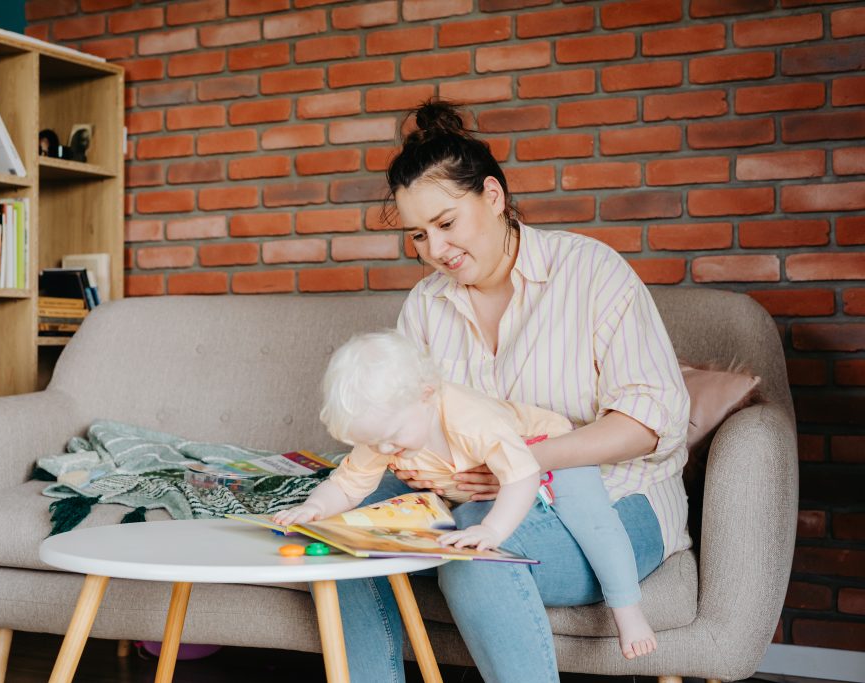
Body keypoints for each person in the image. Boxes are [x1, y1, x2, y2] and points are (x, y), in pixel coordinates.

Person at [330, 99, 691, 683]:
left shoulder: (591, 272)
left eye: (447, 224)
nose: (435, 251)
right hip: (467, 496)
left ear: (493, 197)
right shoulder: (425, 305)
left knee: (476, 554)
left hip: (609, 505)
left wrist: (518, 463)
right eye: (419, 236)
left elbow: (649, 424)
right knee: (350, 531)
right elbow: (410, 421)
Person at [274, 330, 658, 658]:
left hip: (544, 450)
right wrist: (314, 507)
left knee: (593, 521)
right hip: (485, 472)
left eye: (392, 438)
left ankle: (627, 610)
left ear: (426, 396)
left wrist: (492, 531)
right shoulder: (386, 432)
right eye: (377, 442)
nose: (386, 450)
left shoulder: (470, 420)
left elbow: (521, 476)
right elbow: (347, 483)